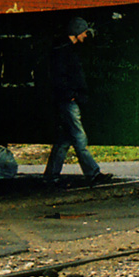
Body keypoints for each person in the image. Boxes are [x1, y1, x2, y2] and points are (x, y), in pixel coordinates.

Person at [43, 17, 110, 186]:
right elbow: (61, 77)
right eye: (84, 32)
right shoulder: (66, 52)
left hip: (65, 99)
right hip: (68, 101)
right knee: (79, 137)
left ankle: (51, 175)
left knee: (64, 139)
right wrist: (72, 94)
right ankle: (93, 173)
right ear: (76, 31)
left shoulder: (61, 50)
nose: (85, 35)